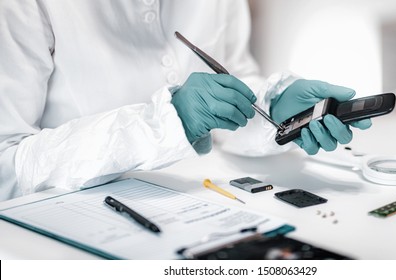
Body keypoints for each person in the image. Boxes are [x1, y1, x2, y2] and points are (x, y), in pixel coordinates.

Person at [0, 0, 371, 201]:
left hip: (208, 206)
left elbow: (236, 81)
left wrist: (272, 108)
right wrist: (168, 123)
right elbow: (8, 165)